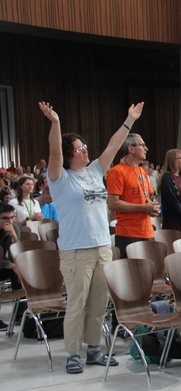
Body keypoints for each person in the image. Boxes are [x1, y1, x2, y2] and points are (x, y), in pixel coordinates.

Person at [41, 100, 143, 373]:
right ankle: (73, 353)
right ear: (68, 154)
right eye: (79, 149)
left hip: (101, 247)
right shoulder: (60, 178)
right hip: (76, 251)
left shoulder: (95, 171)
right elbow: (53, 152)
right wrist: (56, 123)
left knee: (99, 302)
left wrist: (129, 120)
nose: (85, 151)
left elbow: (112, 144)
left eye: (85, 147)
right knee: (77, 303)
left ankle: (94, 349)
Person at [107, 132, 160, 258]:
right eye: (142, 145)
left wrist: (152, 208)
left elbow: (147, 197)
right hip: (128, 234)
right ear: (131, 149)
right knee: (131, 276)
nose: (146, 149)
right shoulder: (117, 172)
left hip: (147, 231)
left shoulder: (142, 171)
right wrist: (142, 208)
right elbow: (113, 203)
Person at [0, 202, 22, 329]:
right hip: (5, 264)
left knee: (19, 271)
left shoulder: (14, 228)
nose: (9, 221)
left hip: (4, 265)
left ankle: (20, 312)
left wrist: (14, 237)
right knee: (15, 268)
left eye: (11, 217)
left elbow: (19, 254)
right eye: (4, 218)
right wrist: (11, 265)